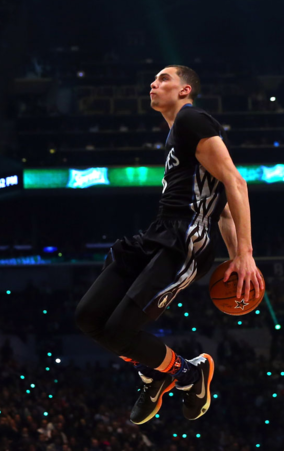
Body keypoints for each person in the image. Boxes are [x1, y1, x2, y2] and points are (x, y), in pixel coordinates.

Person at [75, 65, 264, 424]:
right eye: (154, 78)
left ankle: (191, 376)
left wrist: (244, 254)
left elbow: (237, 183)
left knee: (118, 331)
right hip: (159, 232)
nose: (153, 83)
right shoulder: (179, 132)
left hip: (184, 240)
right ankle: (160, 371)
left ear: (185, 90)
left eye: (164, 78)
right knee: (88, 317)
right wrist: (233, 249)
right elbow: (222, 210)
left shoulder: (193, 120)